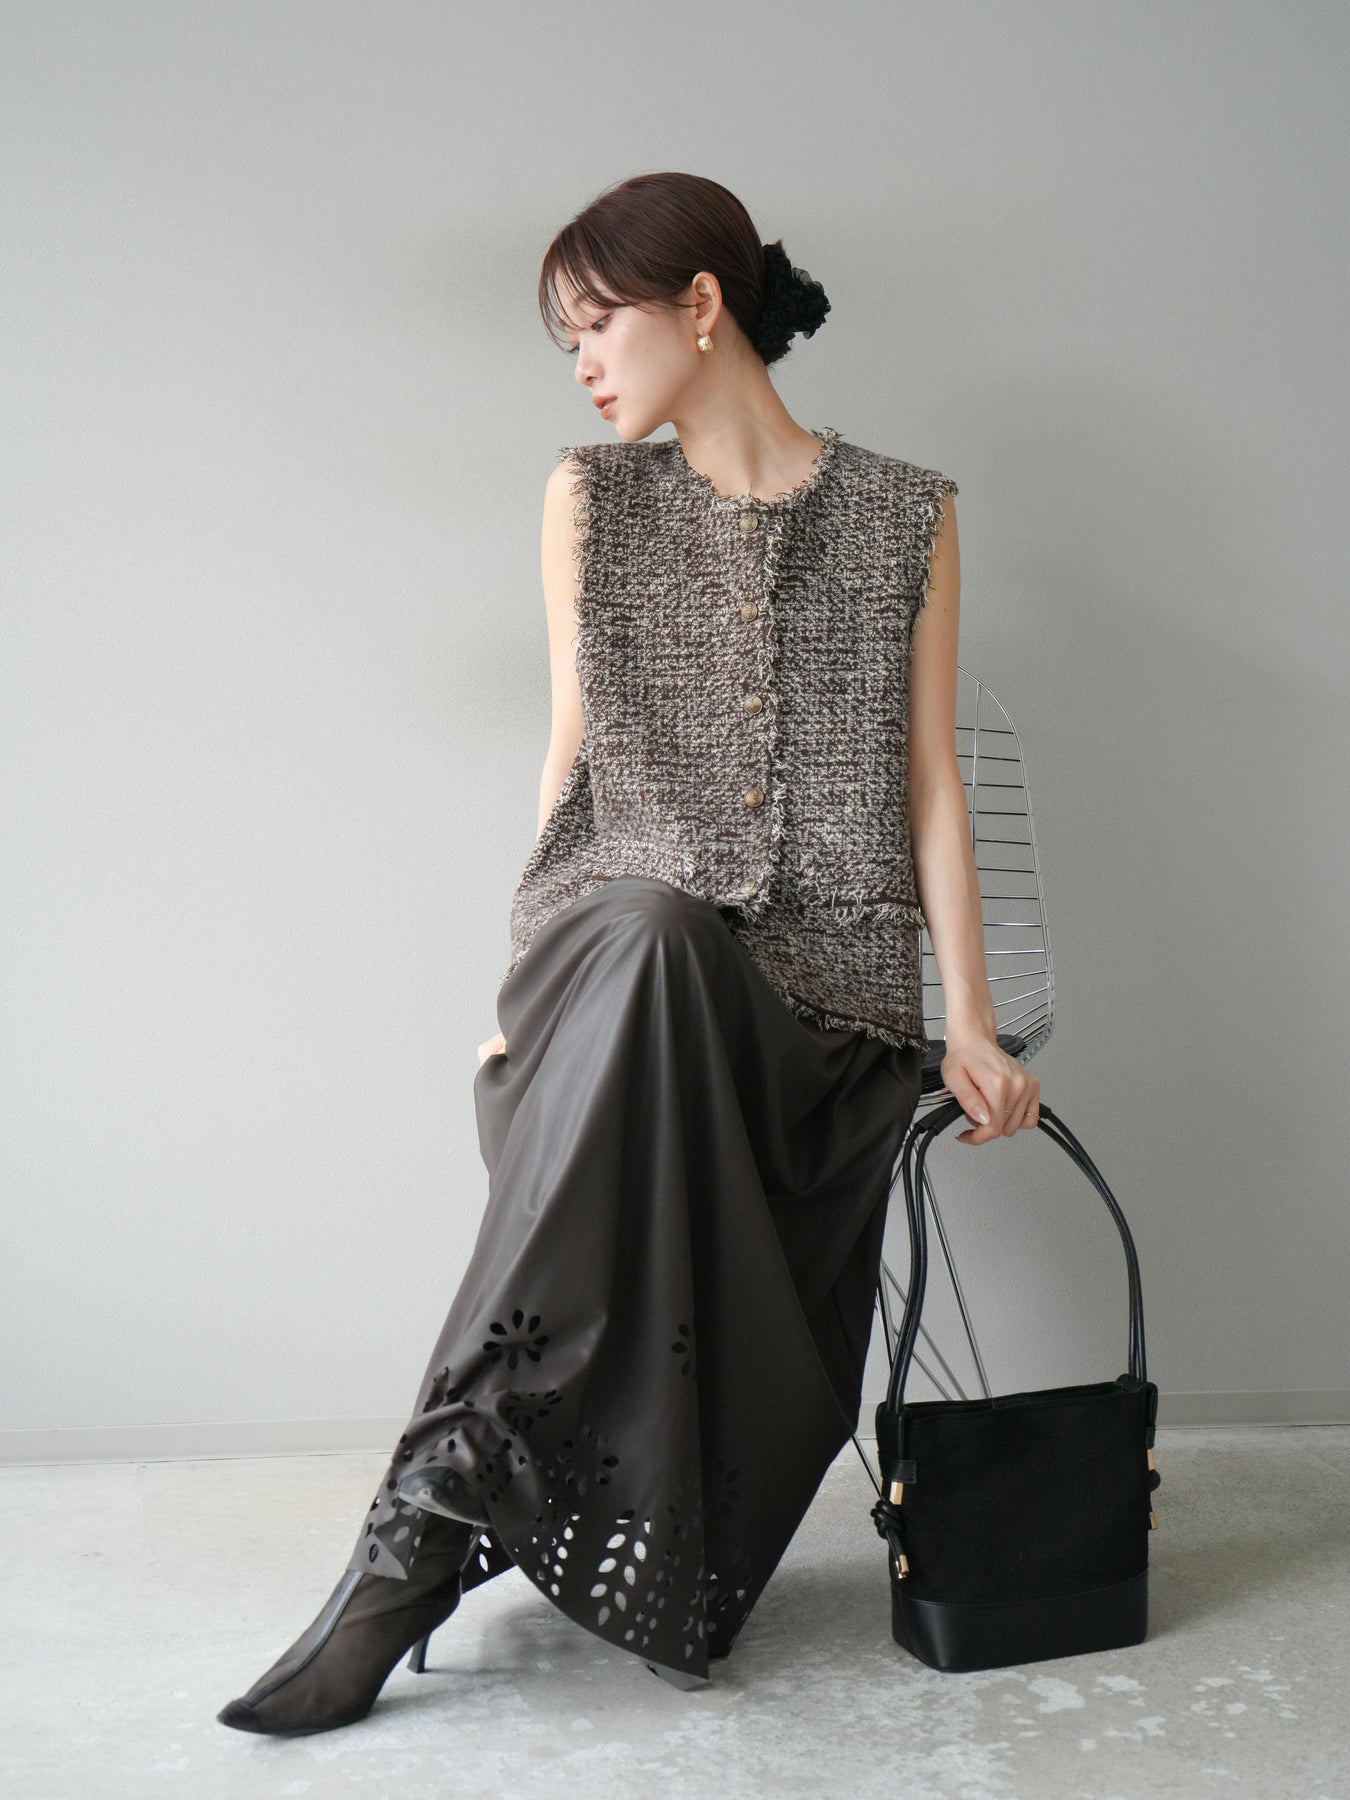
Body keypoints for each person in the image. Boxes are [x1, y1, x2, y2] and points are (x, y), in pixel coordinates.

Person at [217, 171, 1039, 1737]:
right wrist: (525, 995)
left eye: (596, 326)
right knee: (651, 926)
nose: (585, 365)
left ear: (700, 305)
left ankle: (501, 1534)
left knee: (663, 957)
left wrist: (971, 1021)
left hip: (817, 1017)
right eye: (570, 342)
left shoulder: (905, 511)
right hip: (622, 958)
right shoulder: (589, 498)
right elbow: (572, 762)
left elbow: (927, 782)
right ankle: (415, 1540)